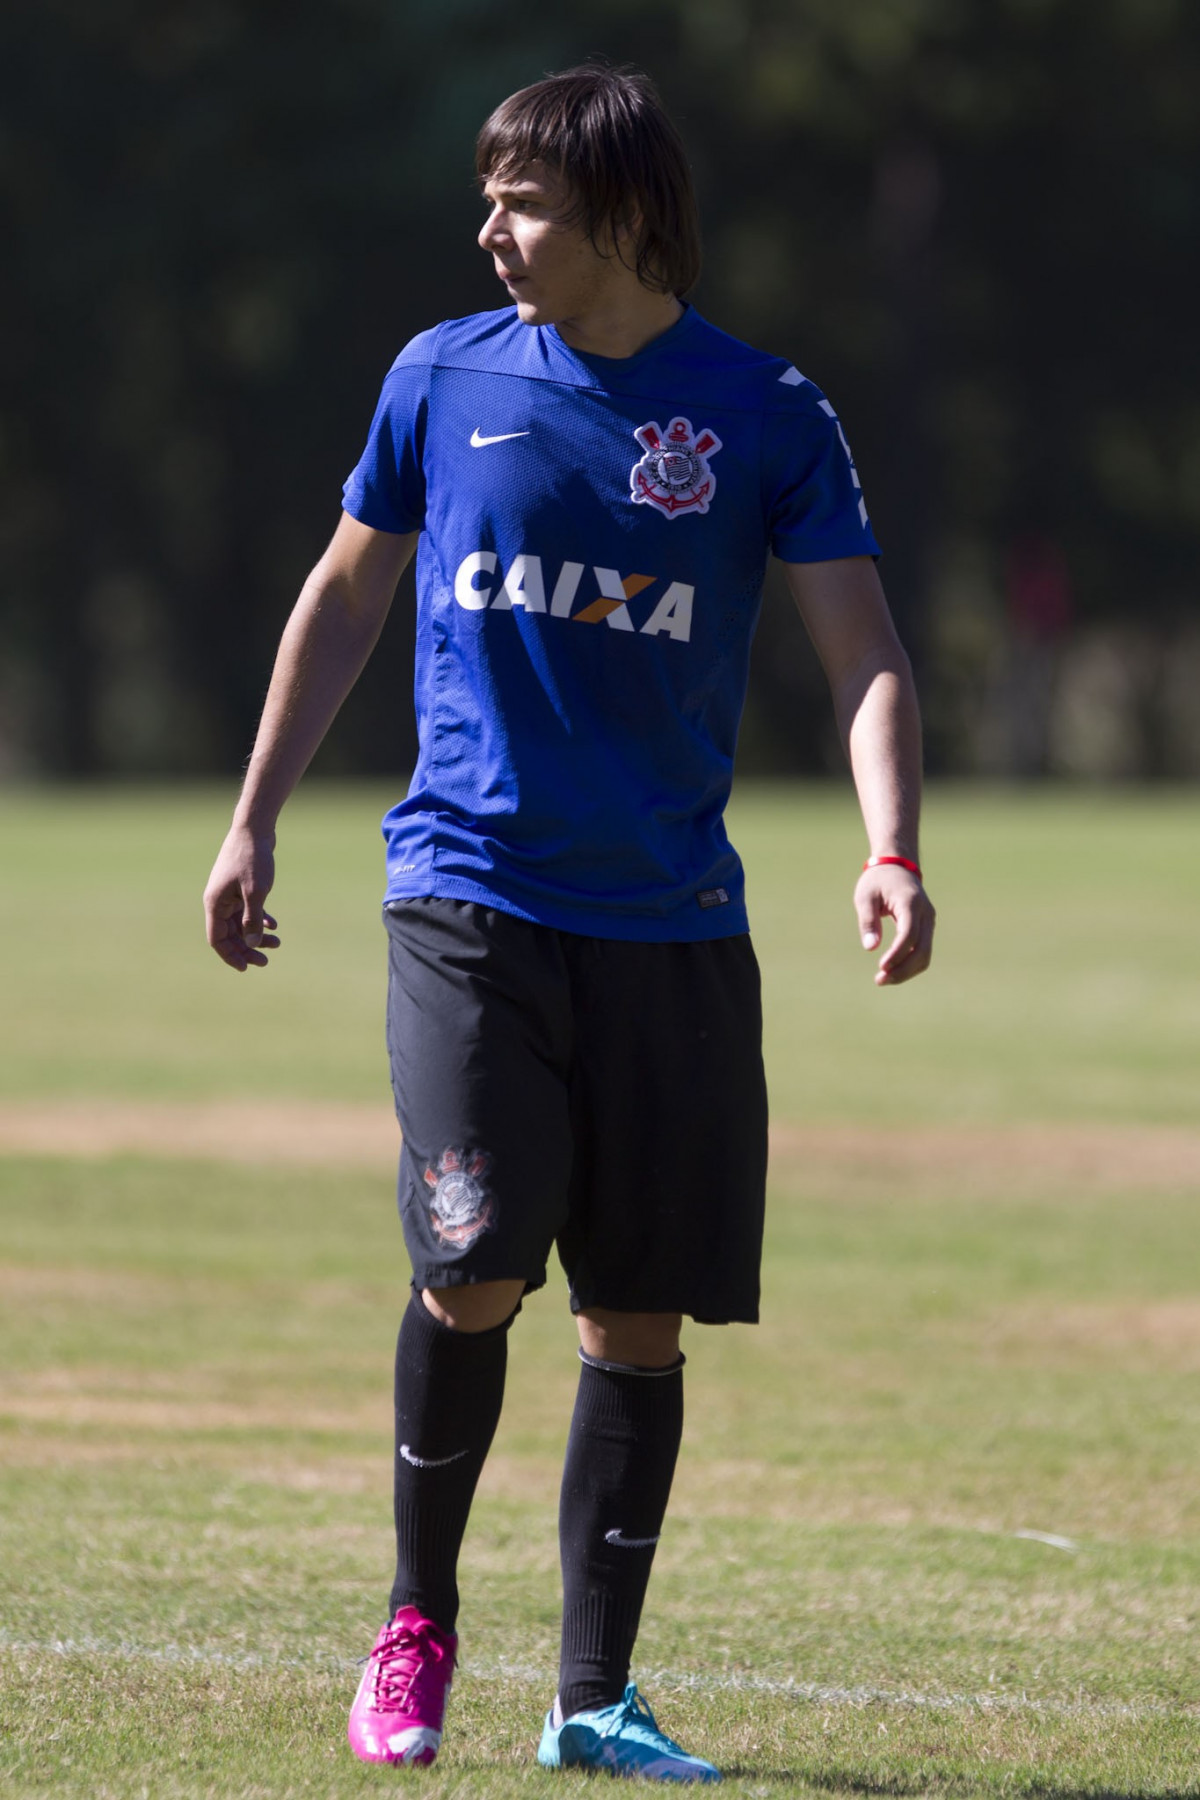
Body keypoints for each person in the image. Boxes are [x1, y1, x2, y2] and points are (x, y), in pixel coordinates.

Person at [203, 62, 935, 1785]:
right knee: (474, 1271)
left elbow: (867, 652)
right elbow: (342, 594)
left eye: (522, 201)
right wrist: (251, 817)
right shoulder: (439, 377)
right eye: (487, 198)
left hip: (674, 927)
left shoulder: (766, 413)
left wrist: (890, 845)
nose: (491, 231)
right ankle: (415, 1632)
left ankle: (595, 1700)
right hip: (467, 896)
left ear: (620, 211)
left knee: (638, 1317)